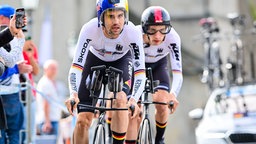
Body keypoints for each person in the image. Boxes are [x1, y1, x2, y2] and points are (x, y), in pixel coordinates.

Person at [64, 0, 146, 143]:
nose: (116, 21)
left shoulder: (132, 32)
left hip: (121, 61)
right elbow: (76, 66)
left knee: (121, 100)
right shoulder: (89, 29)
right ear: (101, 17)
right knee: (83, 120)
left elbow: (140, 72)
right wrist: (73, 94)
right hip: (94, 59)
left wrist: (133, 99)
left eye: (120, 16)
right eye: (110, 16)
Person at [130, 6, 183, 144]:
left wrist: (173, 94)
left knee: (162, 103)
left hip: (158, 65)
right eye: (152, 31)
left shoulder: (173, 38)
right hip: (136, 67)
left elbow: (178, 73)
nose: (158, 36)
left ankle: (159, 139)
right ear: (144, 29)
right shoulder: (134, 34)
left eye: (162, 30)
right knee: (134, 110)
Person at [0, 4, 28, 144]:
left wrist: (13, 32)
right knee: (11, 132)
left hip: (10, 93)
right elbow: (10, 62)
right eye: (12, 19)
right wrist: (20, 38)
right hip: (8, 93)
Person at [36, 59, 62, 144]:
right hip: (49, 121)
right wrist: (47, 121)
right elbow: (46, 103)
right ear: (46, 69)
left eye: (56, 68)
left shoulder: (50, 82)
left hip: (52, 119)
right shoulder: (45, 83)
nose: (55, 71)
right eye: (52, 68)